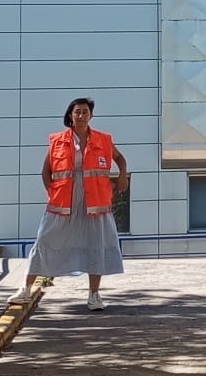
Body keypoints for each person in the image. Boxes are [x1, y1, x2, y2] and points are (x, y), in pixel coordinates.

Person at [26, 98, 129, 310]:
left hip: (95, 203)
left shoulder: (103, 140)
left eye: (85, 111)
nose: (81, 115)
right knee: (44, 240)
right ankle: (25, 289)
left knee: (96, 246)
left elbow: (120, 159)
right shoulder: (58, 140)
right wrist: (53, 191)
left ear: (91, 115)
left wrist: (122, 176)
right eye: (77, 112)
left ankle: (94, 295)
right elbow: (46, 171)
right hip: (63, 202)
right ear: (70, 116)